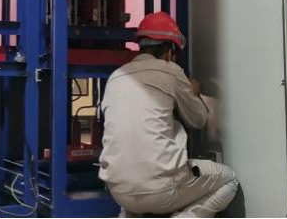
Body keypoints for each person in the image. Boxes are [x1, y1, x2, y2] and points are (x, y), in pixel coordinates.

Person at [99, 12, 239, 218]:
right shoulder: (170, 71)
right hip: (162, 190)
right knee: (229, 179)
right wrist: (194, 92)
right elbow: (198, 119)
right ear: (170, 51)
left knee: (137, 200)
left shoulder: (115, 77)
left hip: (119, 192)